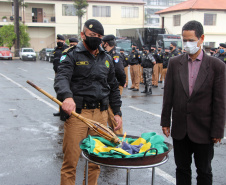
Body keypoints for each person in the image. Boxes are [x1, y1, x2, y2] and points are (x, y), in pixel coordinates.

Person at [54, 19, 123, 185]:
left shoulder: (106, 58)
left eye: (99, 36)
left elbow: (113, 86)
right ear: (83, 34)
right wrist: (67, 96)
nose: (96, 38)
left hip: (100, 115)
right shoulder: (71, 54)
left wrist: (118, 112)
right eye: (92, 35)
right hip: (78, 115)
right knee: (71, 162)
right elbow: (62, 77)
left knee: (95, 163)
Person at [161, 20, 225, 185]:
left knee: (204, 171)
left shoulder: (216, 66)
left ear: (201, 38)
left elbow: (220, 101)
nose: (187, 44)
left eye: (191, 40)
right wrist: (165, 121)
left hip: (204, 130)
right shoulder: (175, 63)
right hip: (180, 129)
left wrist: (218, 130)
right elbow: (168, 95)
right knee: (182, 170)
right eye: (184, 40)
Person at [102, 34, 126, 134]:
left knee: (113, 111)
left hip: (114, 86)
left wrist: (121, 83)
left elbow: (120, 71)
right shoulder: (108, 54)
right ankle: (114, 134)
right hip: (110, 86)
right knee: (109, 112)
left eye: (102, 43)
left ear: (106, 43)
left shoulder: (115, 55)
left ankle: (119, 137)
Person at [53, 34, 68, 117]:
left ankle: (65, 111)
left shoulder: (66, 49)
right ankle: (60, 110)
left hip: (64, 74)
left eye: (60, 40)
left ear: (64, 41)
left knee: (64, 92)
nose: (59, 42)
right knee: (58, 93)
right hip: (57, 73)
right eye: (58, 40)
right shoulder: (56, 49)